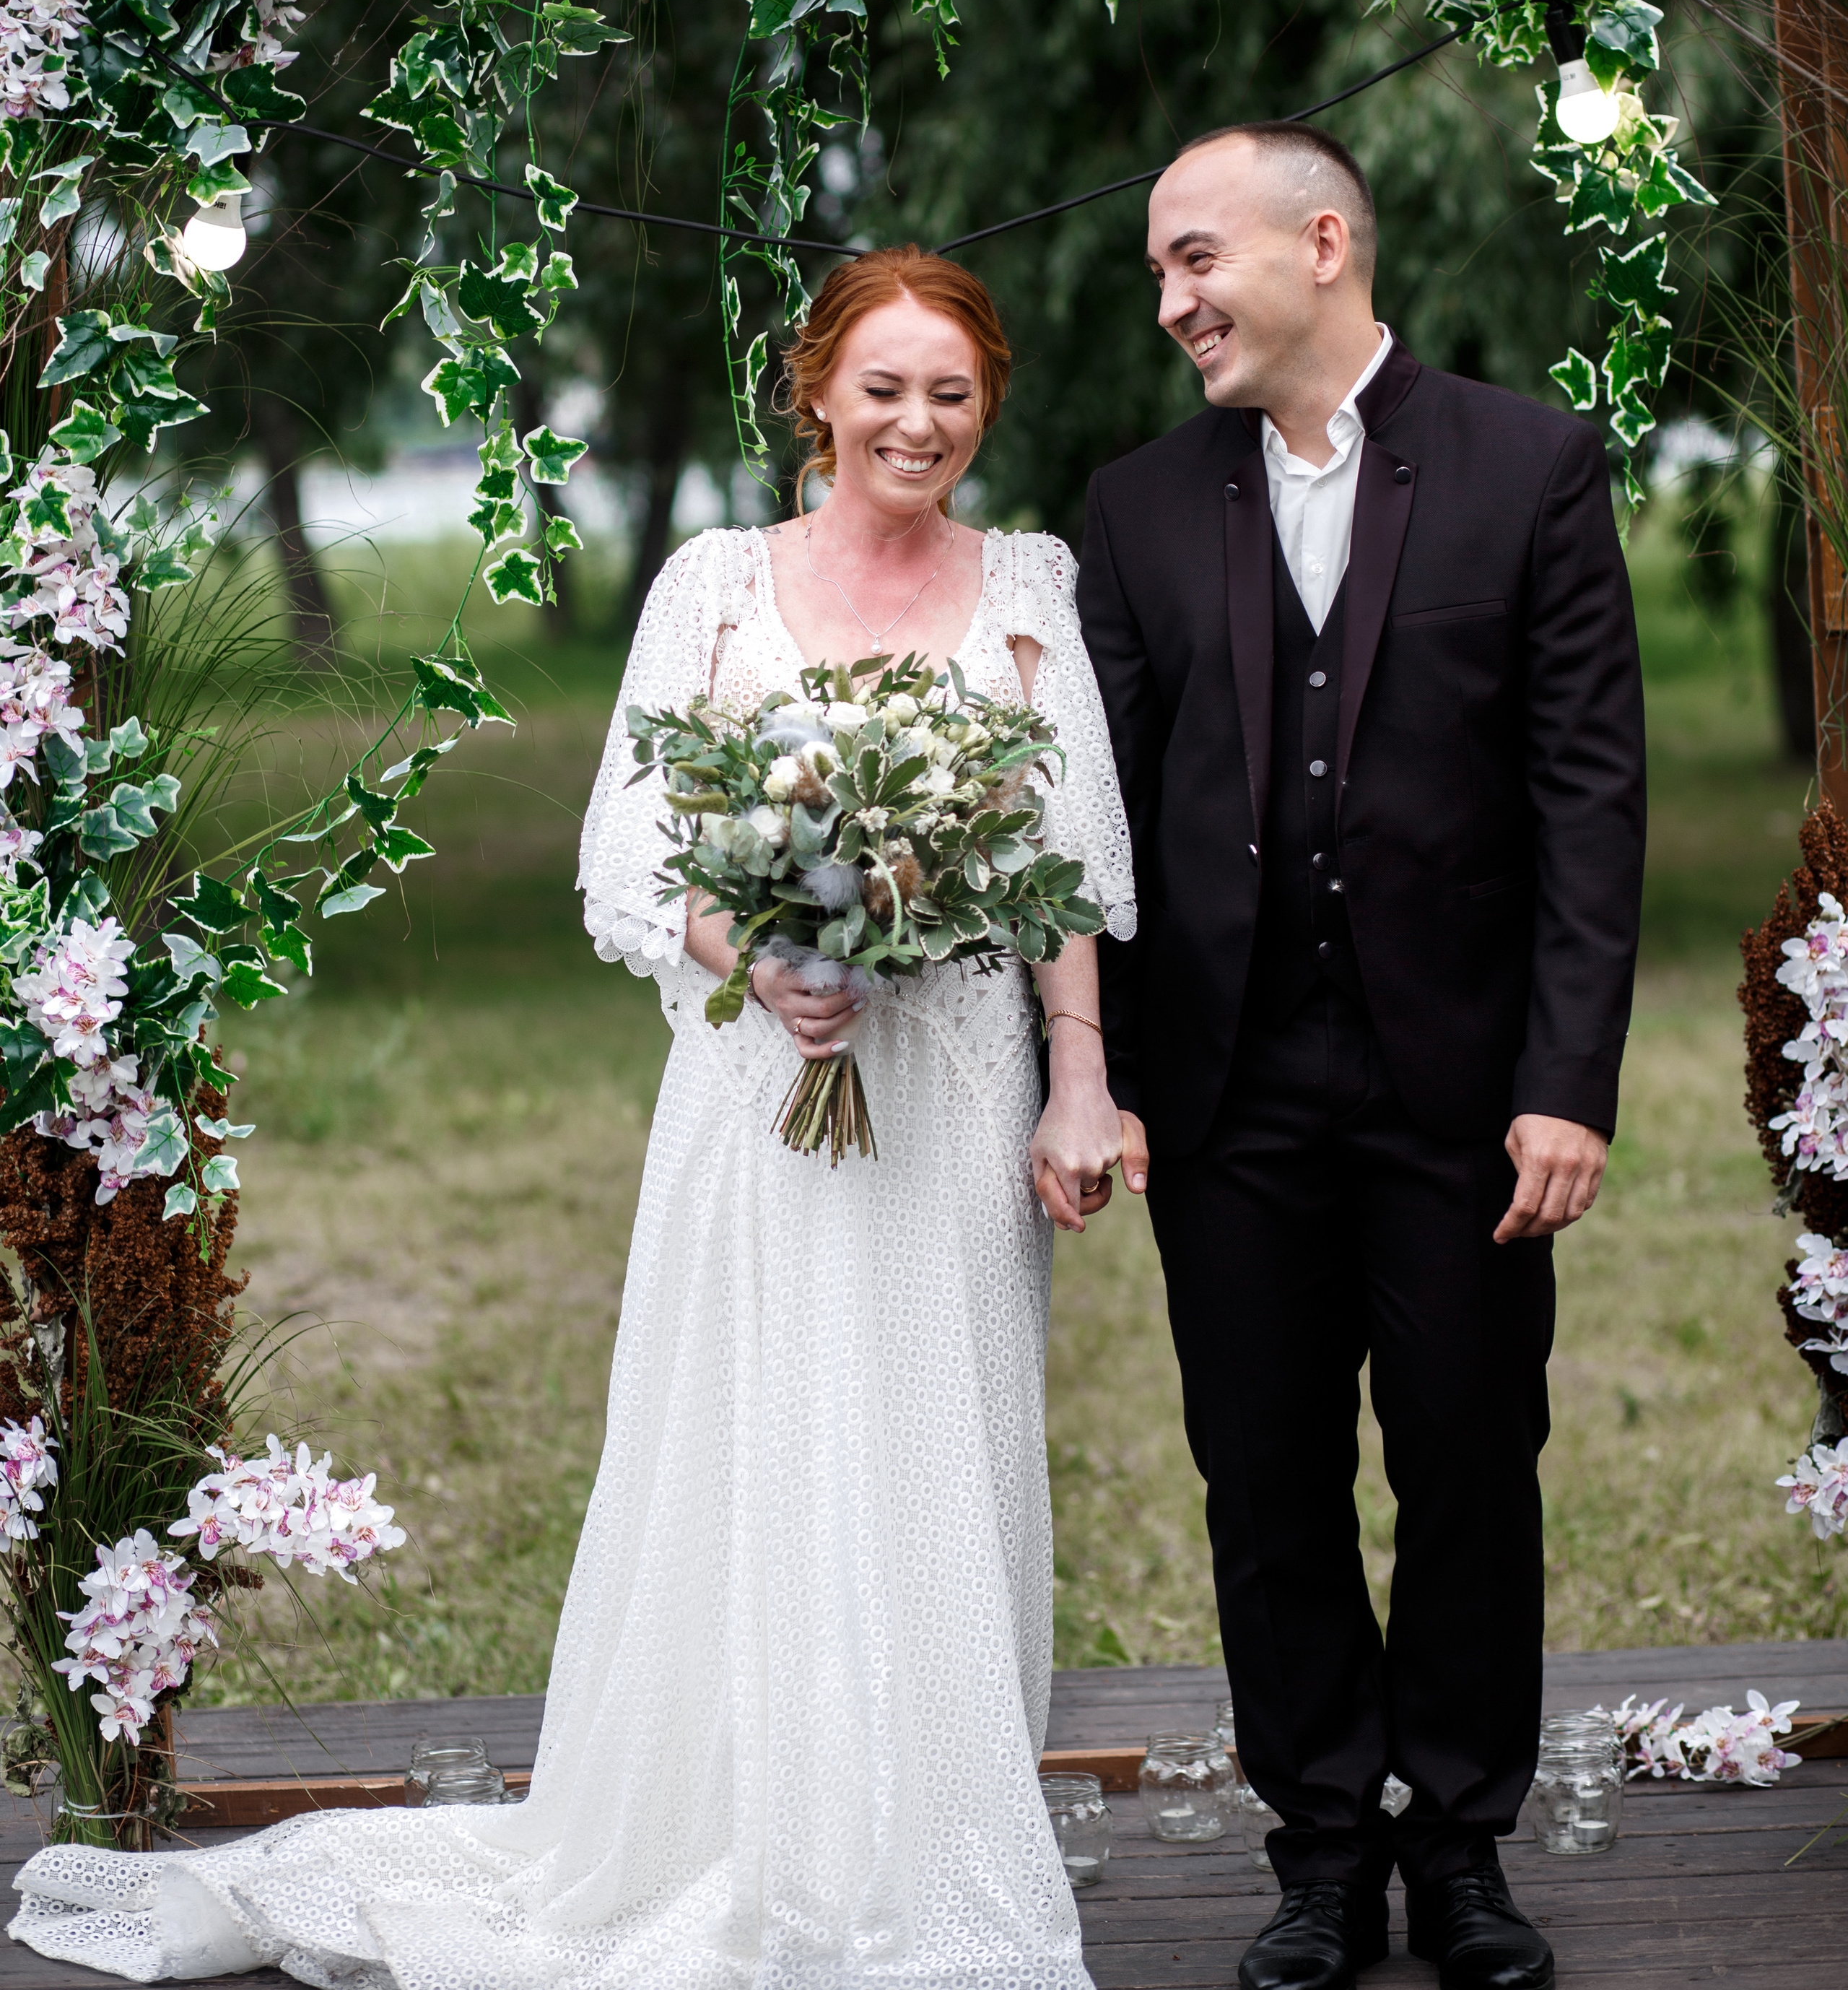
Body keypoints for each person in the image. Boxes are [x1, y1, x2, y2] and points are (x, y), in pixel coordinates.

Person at [9, 246, 1135, 1990]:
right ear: (817, 390)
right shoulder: (713, 583)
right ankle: (742, 1838)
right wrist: (759, 955)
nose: (917, 422)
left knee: (938, 1442)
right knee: (755, 1437)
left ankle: (920, 1844)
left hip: (956, 1079)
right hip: (761, 1085)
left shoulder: (1029, 584)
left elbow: (1066, 865)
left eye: (953, 393)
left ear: (986, 405)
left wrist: (1080, 1081)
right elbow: (630, 847)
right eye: (885, 386)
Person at [1077, 125, 1644, 1990]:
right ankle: (1321, 1842)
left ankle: (1461, 1845)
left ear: (1321, 243)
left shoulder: (1530, 470)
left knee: (1475, 1463)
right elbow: (1099, 824)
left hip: (1467, 1096)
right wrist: (1104, 1078)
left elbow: (1588, 796)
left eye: (1194, 262)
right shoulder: (1139, 509)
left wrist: (1565, 1079)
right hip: (1229, 1093)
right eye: (1162, 275)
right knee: (1267, 1478)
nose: (1171, 305)